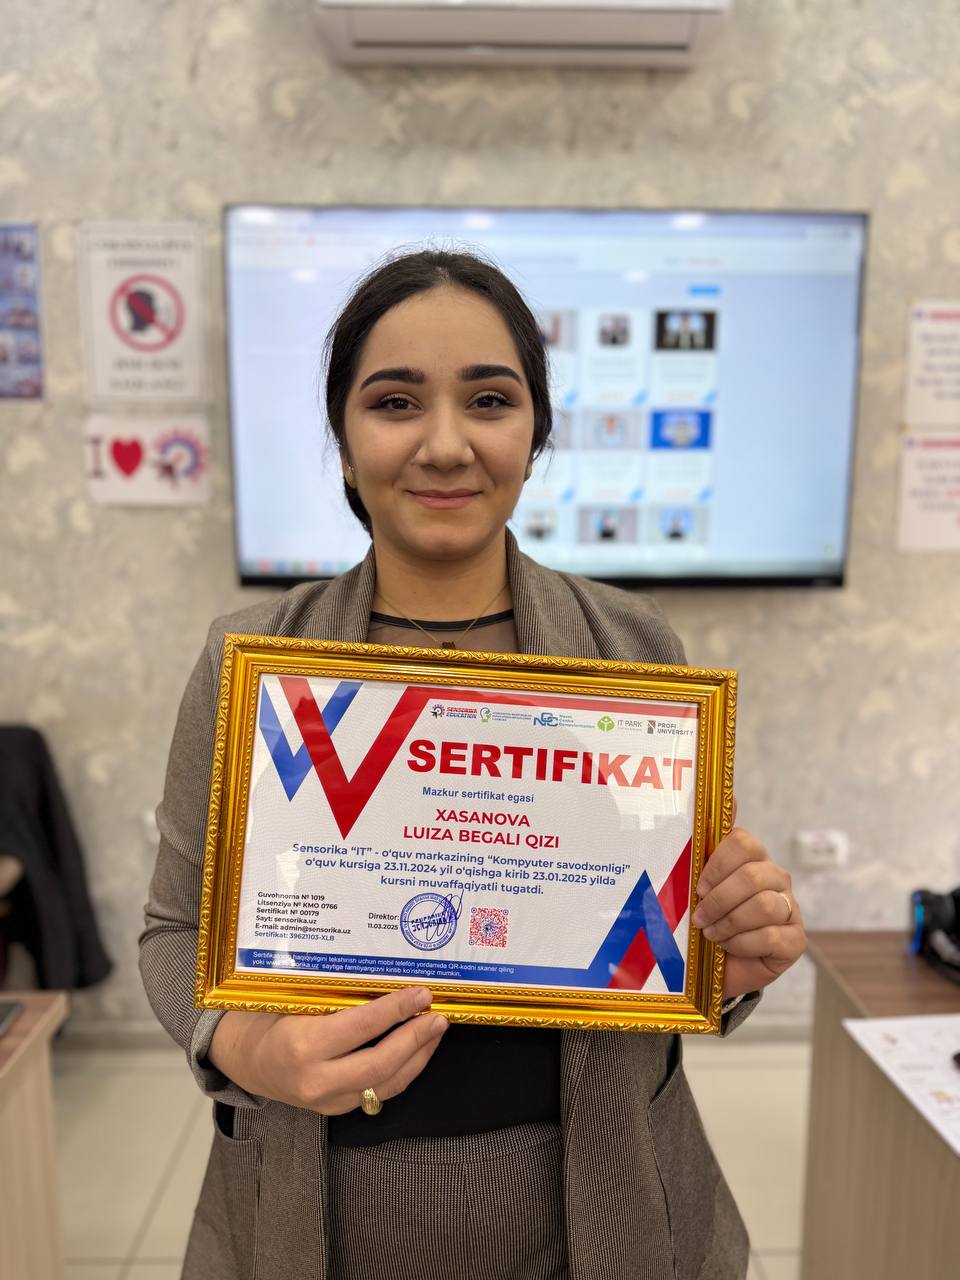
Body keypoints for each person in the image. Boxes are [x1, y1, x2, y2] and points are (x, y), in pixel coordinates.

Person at [139, 250, 807, 1280]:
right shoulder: (251, 664)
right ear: (344, 440)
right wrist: (245, 1049)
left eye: (490, 400)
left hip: (611, 1216)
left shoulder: (634, 649)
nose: (446, 444)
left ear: (536, 434)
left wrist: (727, 956)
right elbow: (174, 932)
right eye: (395, 401)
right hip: (320, 1224)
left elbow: (667, 943)